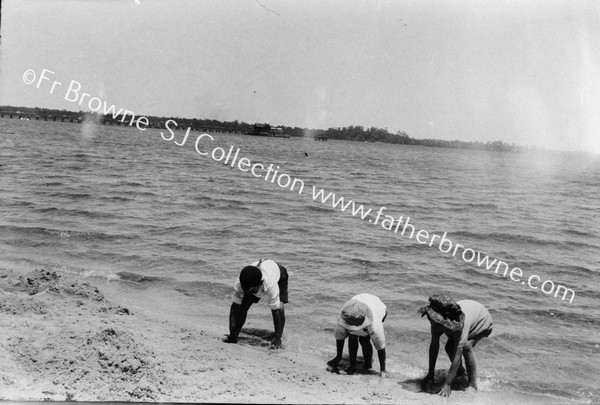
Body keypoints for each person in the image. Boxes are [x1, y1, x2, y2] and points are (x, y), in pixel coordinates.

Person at [419, 294, 492, 397]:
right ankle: (461, 373)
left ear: (442, 321)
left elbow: (458, 355)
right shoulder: (436, 322)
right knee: (449, 347)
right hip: (470, 311)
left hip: (482, 321)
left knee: (466, 347)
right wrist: (430, 373)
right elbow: (434, 346)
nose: (430, 320)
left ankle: (472, 385)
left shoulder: (461, 326)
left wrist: (447, 384)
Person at [223, 259, 288, 349]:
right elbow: (234, 309)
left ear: (260, 283)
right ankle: (235, 333)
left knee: (279, 307)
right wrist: (233, 335)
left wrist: (277, 337)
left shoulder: (270, 284)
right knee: (244, 306)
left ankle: (279, 337)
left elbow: (275, 311)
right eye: (245, 290)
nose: (248, 292)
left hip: (279, 274)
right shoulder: (241, 283)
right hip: (256, 275)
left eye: (252, 291)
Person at [327, 293, 390, 378]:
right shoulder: (345, 314)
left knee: (364, 340)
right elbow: (340, 337)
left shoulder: (374, 324)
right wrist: (338, 357)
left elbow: (380, 346)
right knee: (352, 336)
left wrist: (383, 370)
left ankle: (368, 365)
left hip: (378, 306)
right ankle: (352, 364)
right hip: (357, 303)